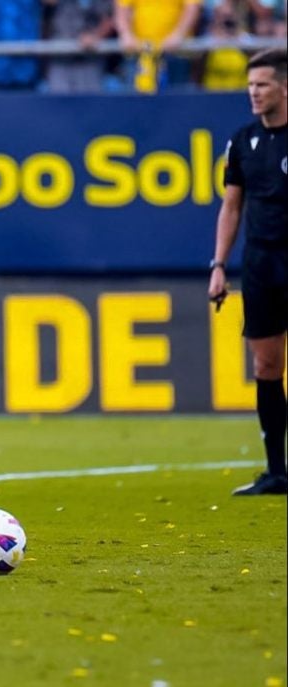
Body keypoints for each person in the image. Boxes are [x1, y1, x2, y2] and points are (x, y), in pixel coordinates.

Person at [208, 48, 287, 496]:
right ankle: (276, 470)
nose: (253, 93)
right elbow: (232, 205)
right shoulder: (242, 141)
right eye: (250, 86)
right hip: (260, 262)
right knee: (267, 362)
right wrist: (219, 264)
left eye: (262, 85)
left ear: (284, 87)